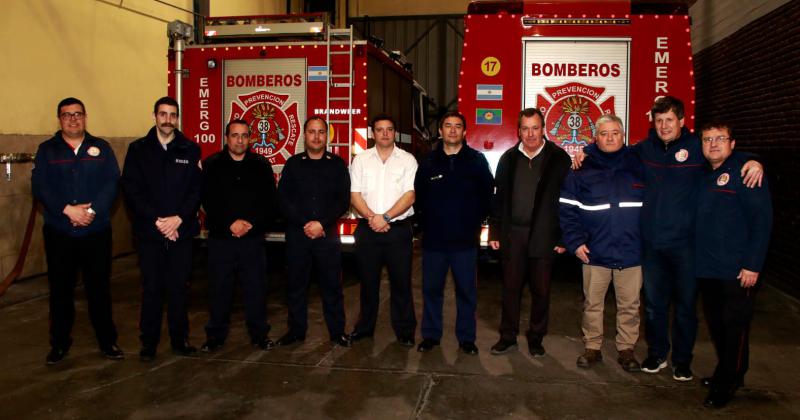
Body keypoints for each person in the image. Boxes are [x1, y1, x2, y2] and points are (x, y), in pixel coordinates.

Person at [573, 96, 763, 380]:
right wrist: (584, 152)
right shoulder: (642, 150)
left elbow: (723, 156)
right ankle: (657, 353)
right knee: (653, 307)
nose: (663, 125)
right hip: (651, 246)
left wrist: (753, 161)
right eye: (658, 120)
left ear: (682, 122)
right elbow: (610, 149)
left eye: (669, 120)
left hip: (687, 246)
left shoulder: (697, 148)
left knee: (686, 307)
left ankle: (682, 361)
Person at [32, 97, 123, 364]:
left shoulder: (101, 148)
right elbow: (40, 187)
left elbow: (112, 183)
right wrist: (67, 210)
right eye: (67, 114)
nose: (73, 119)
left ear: (85, 117)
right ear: (59, 119)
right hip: (60, 232)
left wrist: (91, 212)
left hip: (96, 232)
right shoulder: (47, 150)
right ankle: (59, 344)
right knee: (61, 290)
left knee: (99, 290)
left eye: (78, 114)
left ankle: (108, 342)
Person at [694, 122, 772, 408]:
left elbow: (762, 222)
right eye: (707, 139)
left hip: (738, 271)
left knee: (735, 327)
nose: (713, 144)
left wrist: (753, 266)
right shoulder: (703, 173)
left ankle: (726, 383)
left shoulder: (745, 173)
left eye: (720, 139)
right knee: (717, 325)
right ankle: (731, 371)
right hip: (708, 268)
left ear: (732, 144)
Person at [558, 115, 643, 371]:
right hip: (595, 252)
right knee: (592, 304)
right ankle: (592, 347)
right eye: (604, 133)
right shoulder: (580, 169)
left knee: (630, 305)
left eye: (615, 133)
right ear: (596, 137)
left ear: (623, 135)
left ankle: (626, 349)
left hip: (631, 251)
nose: (609, 138)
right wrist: (574, 242)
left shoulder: (639, 165)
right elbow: (567, 209)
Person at [121, 96, 202, 361]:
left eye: (173, 114)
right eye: (163, 114)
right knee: (152, 288)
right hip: (150, 233)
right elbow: (132, 191)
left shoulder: (190, 149)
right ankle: (149, 343)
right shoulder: (138, 150)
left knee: (179, 288)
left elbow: (196, 190)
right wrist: (158, 220)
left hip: (181, 231)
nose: (168, 119)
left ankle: (180, 340)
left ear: (178, 118)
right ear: (154, 116)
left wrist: (178, 218)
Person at [488, 108, 571, 357]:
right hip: (513, 235)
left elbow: (569, 201)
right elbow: (498, 197)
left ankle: (536, 338)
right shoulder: (508, 158)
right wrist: (494, 232)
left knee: (541, 291)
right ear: (519, 131)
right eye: (525, 128)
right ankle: (507, 336)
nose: (530, 134)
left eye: (535, 128)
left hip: (544, 235)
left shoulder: (559, 159)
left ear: (544, 129)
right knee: (510, 290)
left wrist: (563, 236)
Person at [414, 111, 494, 355]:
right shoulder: (428, 162)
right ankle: (430, 336)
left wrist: (473, 222)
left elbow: (487, 195)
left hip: (465, 243)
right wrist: (426, 224)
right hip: (434, 242)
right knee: (431, 290)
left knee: (467, 292)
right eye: (447, 126)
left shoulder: (476, 161)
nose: (452, 130)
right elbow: (419, 198)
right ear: (440, 131)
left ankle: (467, 338)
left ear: (465, 131)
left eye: (457, 126)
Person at [200, 119, 277, 353]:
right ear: (226, 138)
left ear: (250, 138)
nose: (240, 140)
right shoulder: (211, 165)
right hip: (221, 238)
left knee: (255, 288)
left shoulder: (261, 165)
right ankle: (215, 336)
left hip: (252, 240)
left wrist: (250, 224)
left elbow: (269, 202)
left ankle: (259, 335)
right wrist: (229, 224)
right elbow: (207, 200)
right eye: (235, 135)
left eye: (244, 135)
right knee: (219, 289)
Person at [276, 116, 352, 348]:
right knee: (297, 286)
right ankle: (296, 331)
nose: (317, 136)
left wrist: (322, 223)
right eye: (312, 132)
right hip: (298, 235)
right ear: (304, 135)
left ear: (326, 137)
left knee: (332, 286)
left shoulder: (337, 164)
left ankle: (337, 331)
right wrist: (305, 224)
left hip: (326, 235)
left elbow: (343, 200)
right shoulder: (293, 164)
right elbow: (283, 200)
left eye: (321, 132)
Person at [348, 114, 417, 347]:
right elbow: (354, 195)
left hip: (397, 230)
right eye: (380, 129)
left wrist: (385, 217)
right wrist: (372, 218)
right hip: (368, 229)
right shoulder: (361, 160)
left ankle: (405, 331)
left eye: (389, 129)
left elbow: (410, 195)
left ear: (394, 133)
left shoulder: (407, 160)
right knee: (368, 283)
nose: (385, 133)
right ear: (373, 133)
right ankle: (365, 328)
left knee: (401, 283)